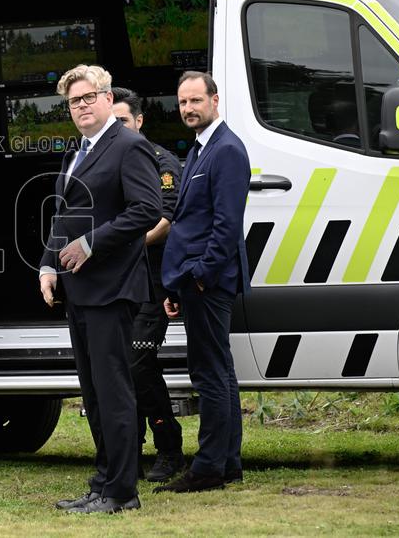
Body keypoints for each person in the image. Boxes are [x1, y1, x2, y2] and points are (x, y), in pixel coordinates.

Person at [40, 66, 161, 514]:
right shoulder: (80, 150)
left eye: (89, 97)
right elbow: (65, 214)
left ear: (109, 99)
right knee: (92, 395)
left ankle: (123, 492)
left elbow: (147, 210)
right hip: (79, 289)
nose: (82, 106)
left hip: (113, 289)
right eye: (74, 101)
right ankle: (103, 482)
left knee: (113, 393)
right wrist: (48, 264)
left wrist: (92, 243)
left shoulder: (129, 146)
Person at [156, 72, 251, 494]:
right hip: (192, 282)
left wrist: (199, 276)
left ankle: (208, 467)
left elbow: (226, 226)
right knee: (221, 371)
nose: (188, 109)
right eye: (182, 103)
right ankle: (228, 463)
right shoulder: (200, 148)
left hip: (207, 282)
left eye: (196, 100)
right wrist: (179, 284)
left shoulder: (226, 149)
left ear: (215, 99)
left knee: (209, 374)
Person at [111, 87, 185, 483]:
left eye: (122, 121)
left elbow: (166, 218)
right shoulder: (104, 159)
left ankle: (169, 447)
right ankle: (127, 451)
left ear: (139, 121)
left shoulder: (161, 161)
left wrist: (120, 243)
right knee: (119, 365)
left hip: (152, 283)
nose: (117, 127)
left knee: (139, 362)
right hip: (115, 283)